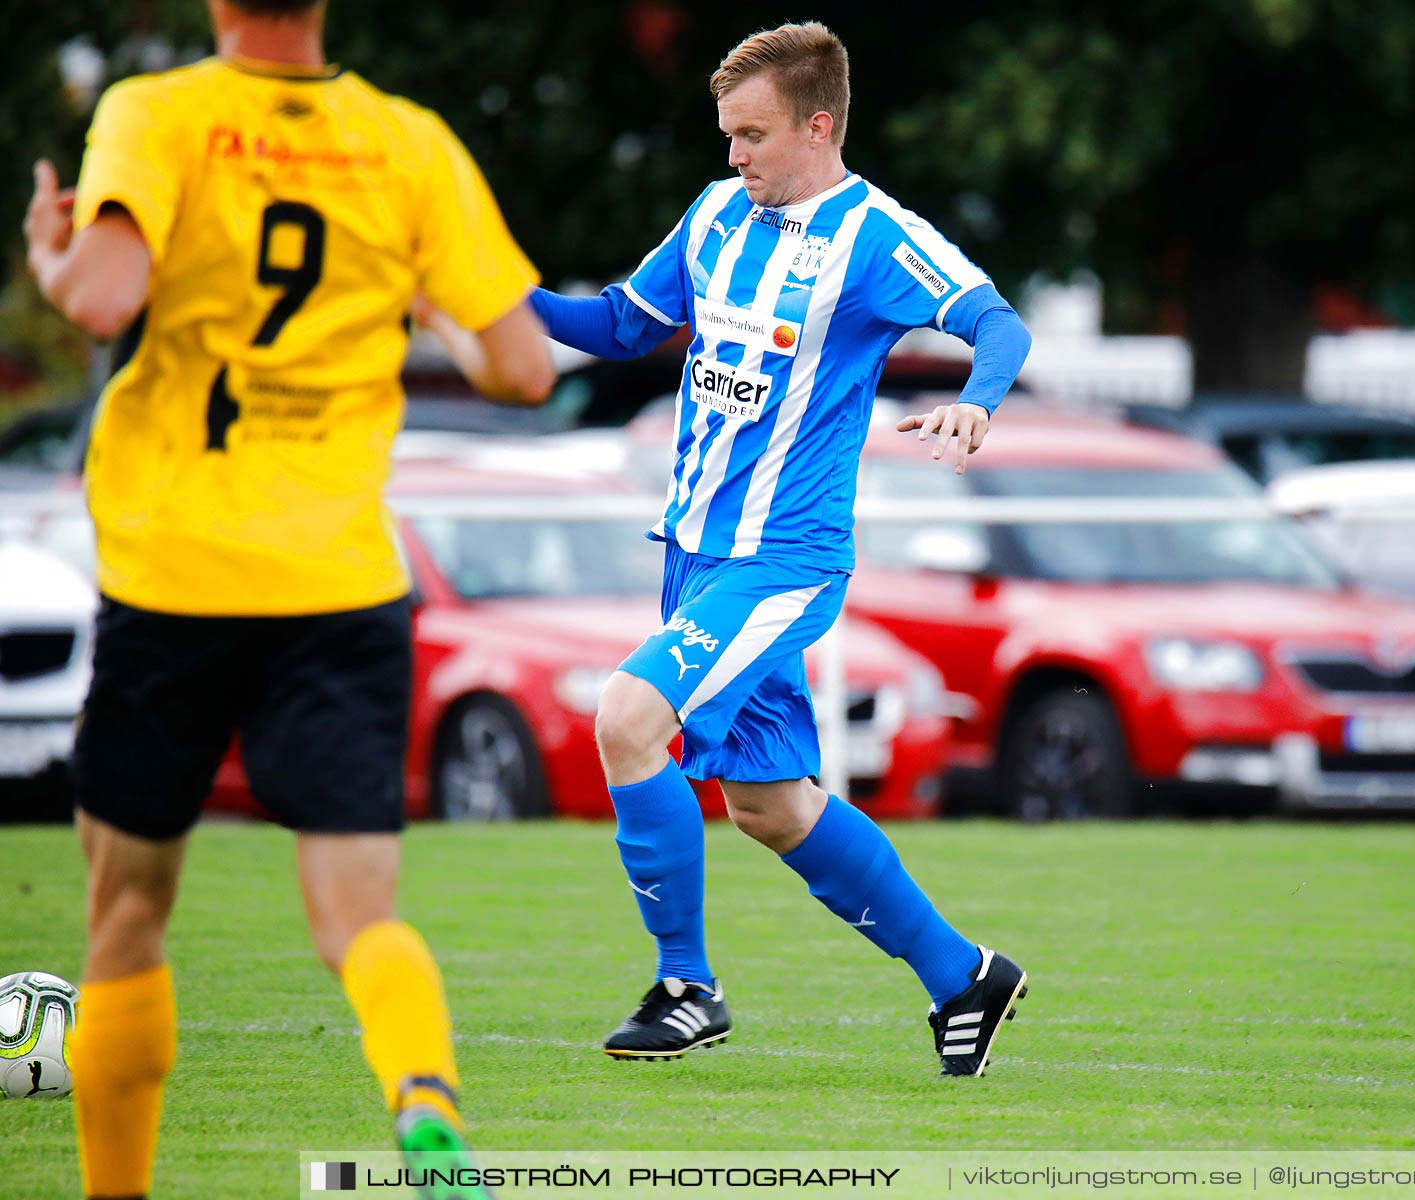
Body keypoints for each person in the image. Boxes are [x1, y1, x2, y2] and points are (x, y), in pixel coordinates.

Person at [21, 1, 552, 1195]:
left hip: (177, 575)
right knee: (358, 919)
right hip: (340, 584)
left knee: (125, 917)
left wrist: (50, 252)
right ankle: (423, 1101)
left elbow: (103, 296)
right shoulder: (407, 141)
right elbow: (520, 365)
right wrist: (426, 311)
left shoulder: (160, 113)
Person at [530, 22, 1033, 1077]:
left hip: (784, 556)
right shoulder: (718, 211)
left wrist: (977, 405)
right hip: (697, 552)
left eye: (752, 135)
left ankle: (686, 987)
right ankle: (962, 975)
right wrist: (492, 299)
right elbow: (624, 325)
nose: (733, 157)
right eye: (726, 135)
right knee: (771, 805)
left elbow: (999, 325)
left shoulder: (874, 237)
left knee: (627, 717)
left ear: (818, 125)